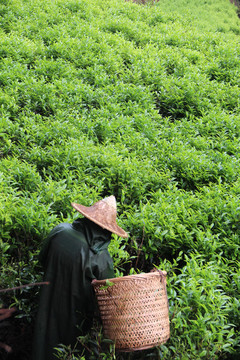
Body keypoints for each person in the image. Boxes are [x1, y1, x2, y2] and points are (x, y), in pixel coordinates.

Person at [32, 195, 128, 360]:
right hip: (76, 320)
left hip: (46, 306)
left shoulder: (60, 230)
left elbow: (41, 262)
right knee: (69, 352)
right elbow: (107, 300)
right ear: (107, 229)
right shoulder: (102, 258)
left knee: (43, 345)